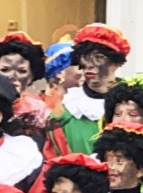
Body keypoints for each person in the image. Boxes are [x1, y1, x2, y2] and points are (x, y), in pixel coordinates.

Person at [56, 24, 132, 154]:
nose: (89, 65)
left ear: (116, 63)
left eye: (98, 57)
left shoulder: (133, 104)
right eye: (85, 57)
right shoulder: (67, 108)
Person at [0, 31, 48, 97]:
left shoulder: (37, 107)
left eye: (22, 71)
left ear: (32, 76)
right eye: (4, 70)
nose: (12, 76)